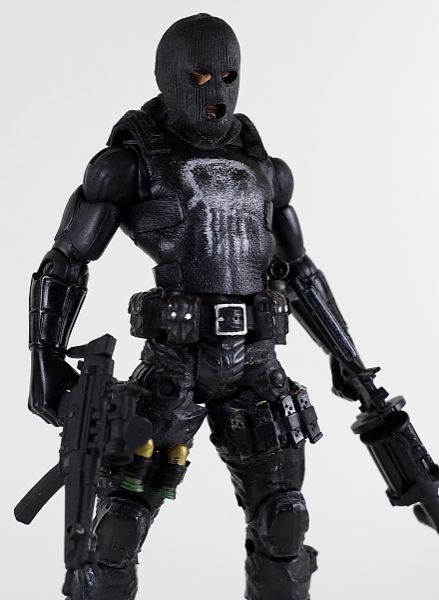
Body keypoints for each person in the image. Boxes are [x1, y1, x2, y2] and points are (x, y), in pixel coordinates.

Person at [27, 13, 381, 600]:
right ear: (166, 78)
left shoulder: (269, 173)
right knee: (116, 530)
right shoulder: (127, 165)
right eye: (198, 77)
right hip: (173, 365)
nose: (215, 91)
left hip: (258, 365)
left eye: (229, 76)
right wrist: (44, 356)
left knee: (284, 520)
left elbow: (300, 272)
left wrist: (347, 360)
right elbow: (65, 261)